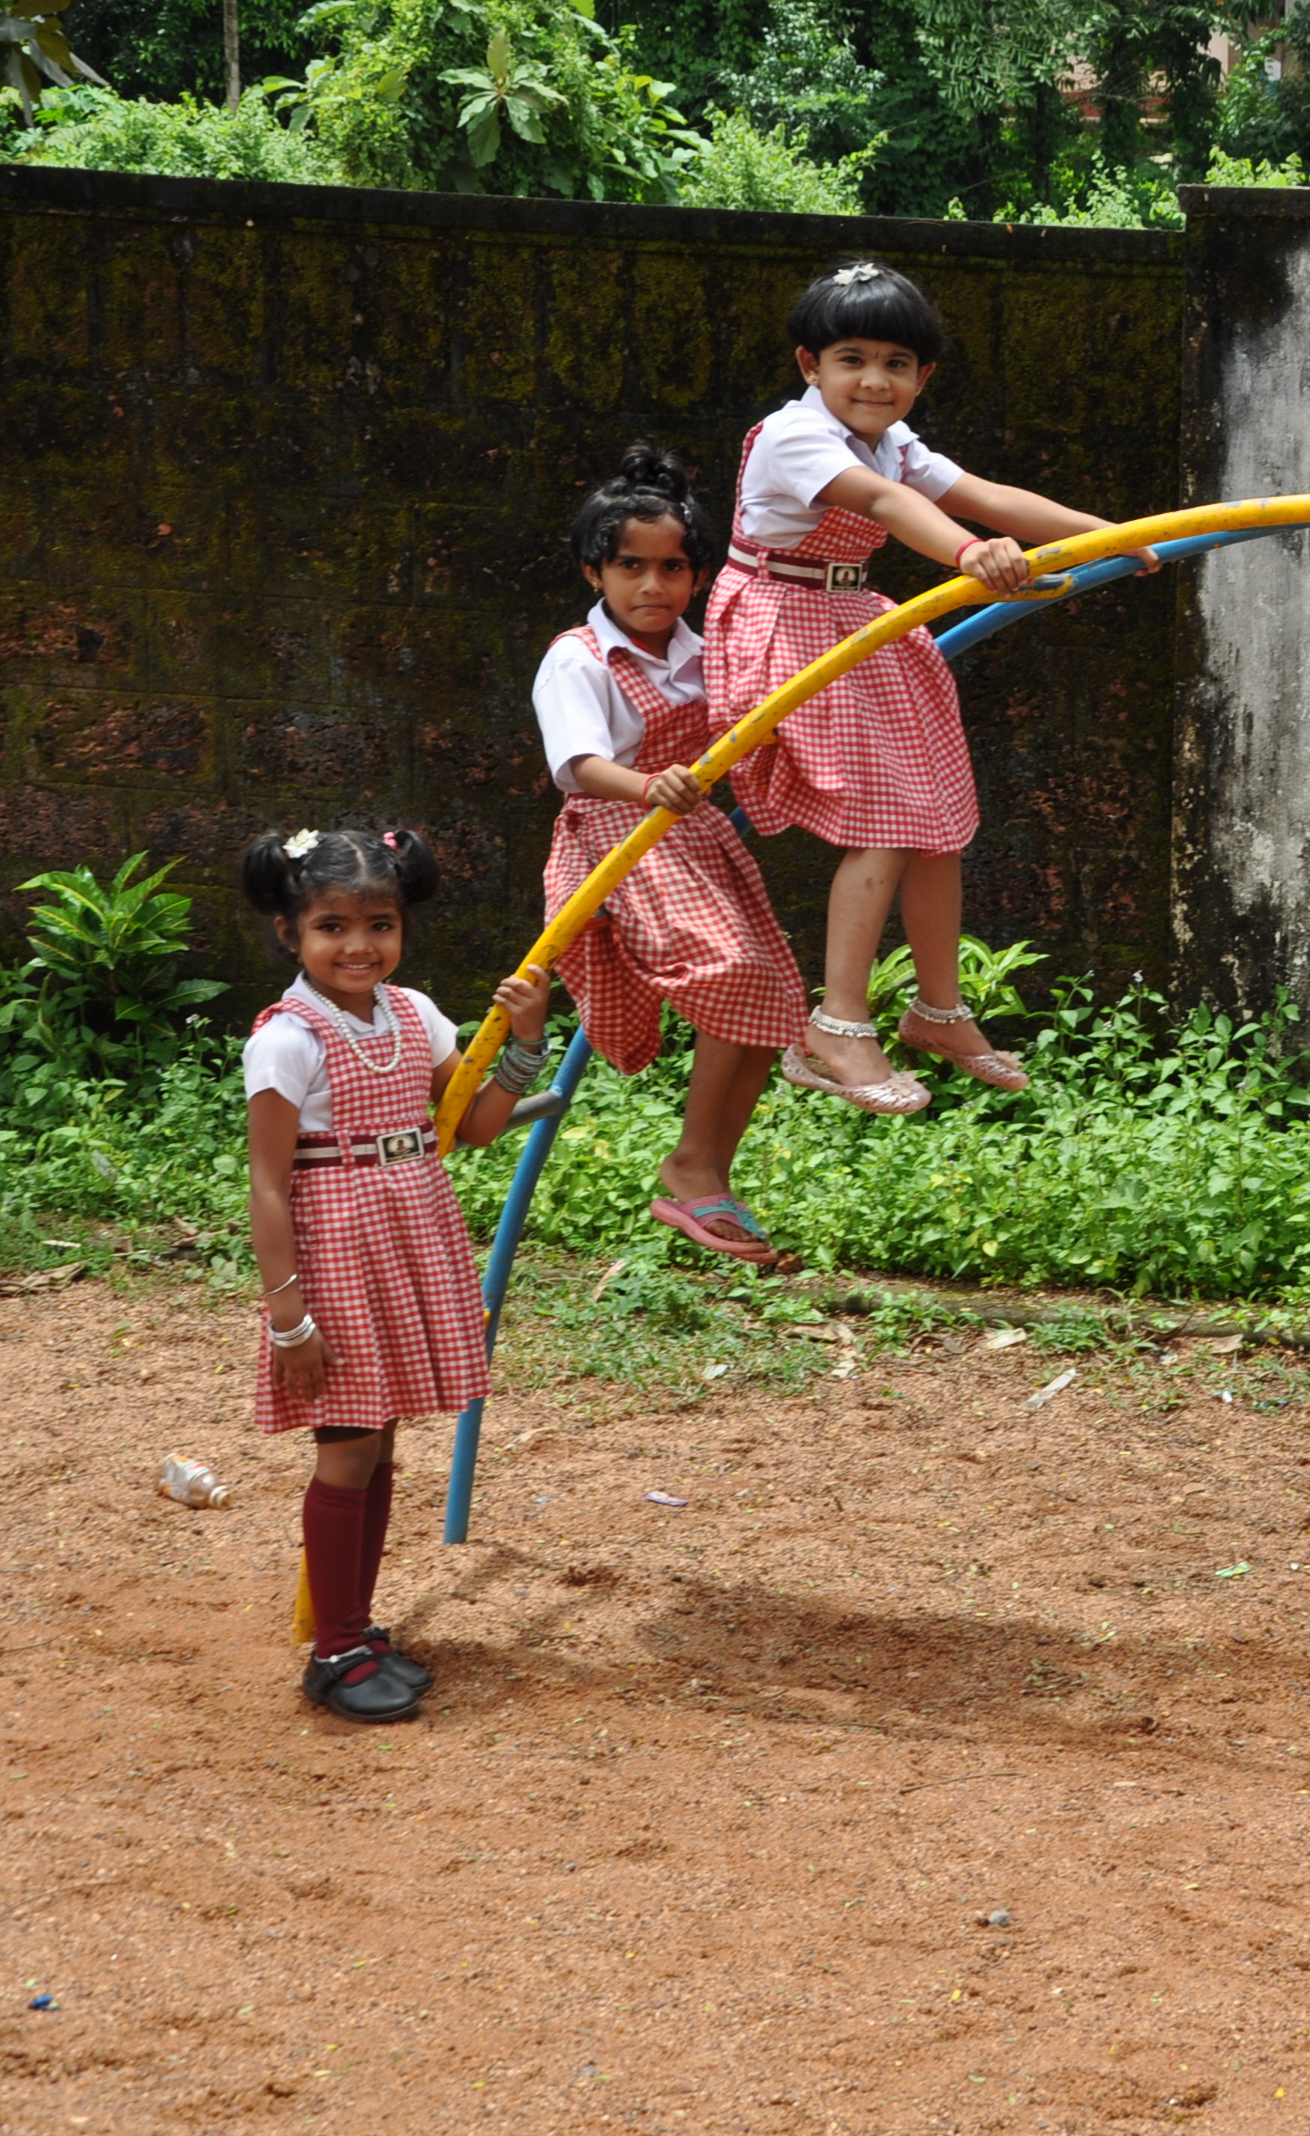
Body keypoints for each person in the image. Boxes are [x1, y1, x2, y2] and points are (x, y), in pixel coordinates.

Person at [710, 257, 1152, 1113]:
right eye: (852, 359)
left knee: (936, 817)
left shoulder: (893, 440)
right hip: (782, 621)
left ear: (924, 376)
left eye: (897, 364)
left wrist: (1113, 534)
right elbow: (885, 506)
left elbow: (984, 494)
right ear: (810, 365)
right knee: (885, 818)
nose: (875, 381)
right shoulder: (794, 435)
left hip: (853, 618)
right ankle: (838, 1022)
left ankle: (938, 1010)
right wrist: (967, 554)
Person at [242, 826, 552, 1722]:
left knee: (378, 1444)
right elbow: (268, 1183)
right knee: (346, 1447)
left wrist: (525, 1041)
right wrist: (289, 1321)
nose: (359, 946)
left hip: (407, 1239)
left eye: (379, 924)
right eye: (332, 926)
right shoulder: (287, 1038)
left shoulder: (414, 1014)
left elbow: (477, 1125)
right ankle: (334, 1651)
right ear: (290, 933)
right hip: (335, 1253)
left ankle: (355, 1628)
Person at [536, 443, 808, 1262]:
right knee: (734, 971)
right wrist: (647, 785)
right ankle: (690, 1161)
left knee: (773, 998)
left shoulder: (706, 651)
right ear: (594, 571)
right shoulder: (577, 658)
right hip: (619, 838)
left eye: (673, 568)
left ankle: (708, 1173)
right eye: (632, 566)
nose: (652, 585)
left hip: (692, 838)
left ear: (697, 576)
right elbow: (579, 764)